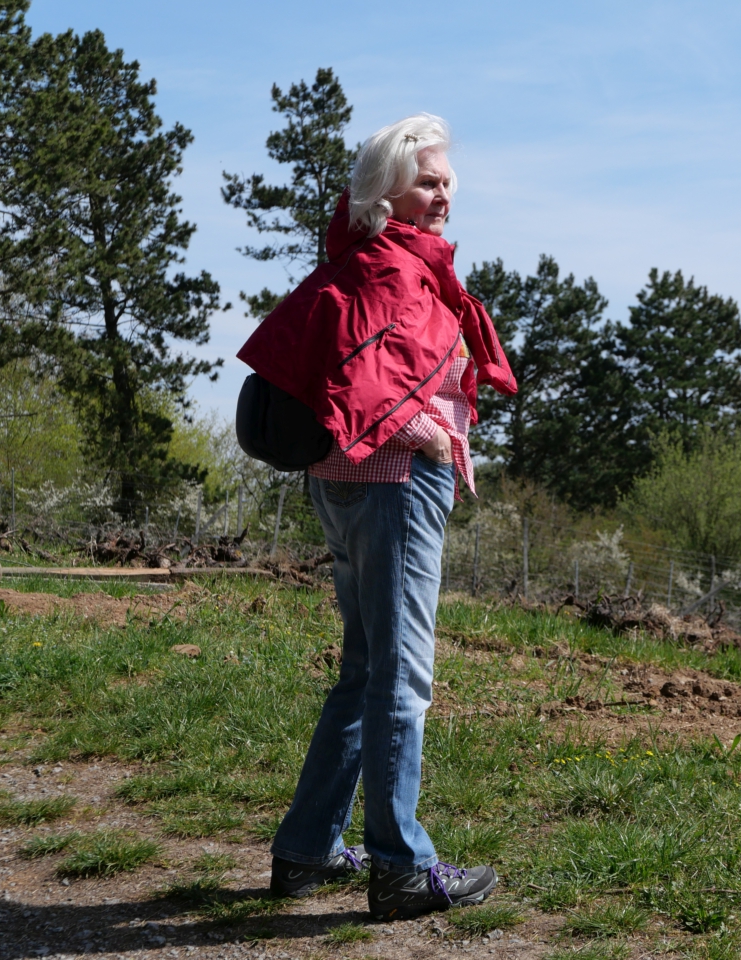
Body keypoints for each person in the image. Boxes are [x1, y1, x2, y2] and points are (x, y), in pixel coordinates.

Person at [237, 113, 517, 920]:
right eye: (428, 182)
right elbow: (375, 391)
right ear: (384, 190)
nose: (443, 197)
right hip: (392, 484)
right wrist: (433, 439)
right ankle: (399, 867)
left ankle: (306, 849)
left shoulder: (360, 265)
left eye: (448, 184)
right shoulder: (393, 272)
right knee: (401, 679)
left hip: (344, 482)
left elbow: (352, 374)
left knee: (364, 670)